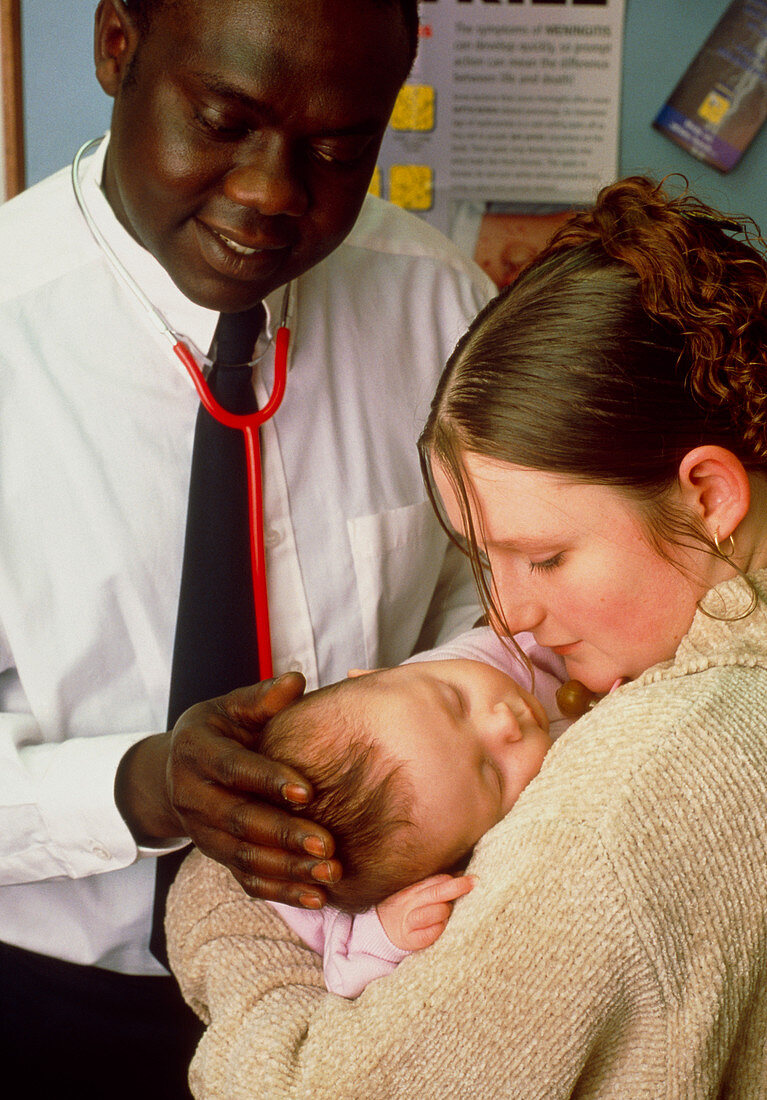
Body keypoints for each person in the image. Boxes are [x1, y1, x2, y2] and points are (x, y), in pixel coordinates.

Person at [167, 175, 767, 1098]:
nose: (510, 615)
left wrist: (220, 890)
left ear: (708, 496)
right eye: (484, 558)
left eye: (547, 557)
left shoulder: (640, 790)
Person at [0, 1, 494, 1097]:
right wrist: (140, 787)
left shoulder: (440, 307)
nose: (274, 191)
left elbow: (494, 596)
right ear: (117, 48)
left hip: (373, 982)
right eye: (222, 120)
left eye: (336, 149)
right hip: (52, 992)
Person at [253, 626, 570, 998]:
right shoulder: (413, 852)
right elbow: (341, 974)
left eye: (458, 703)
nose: (504, 721)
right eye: (492, 773)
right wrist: (389, 929)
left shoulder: (452, 669)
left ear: (377, 674)